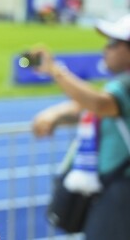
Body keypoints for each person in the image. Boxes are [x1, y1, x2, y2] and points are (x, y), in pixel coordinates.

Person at [31, 15, 130, 238]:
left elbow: (99, 104)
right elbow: (90, 106)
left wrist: (55, 70)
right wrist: (56, 113)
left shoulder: (125, 83)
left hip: (122, 189)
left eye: (113, 42)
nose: (106, 48)